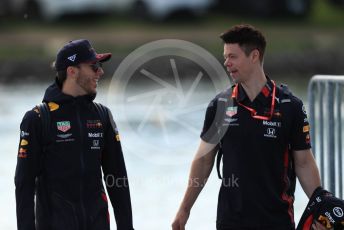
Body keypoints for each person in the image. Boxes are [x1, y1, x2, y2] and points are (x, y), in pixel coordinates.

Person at [172, 24, 326, 230]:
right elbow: (203, 160)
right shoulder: (220, 105)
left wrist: (321, 211)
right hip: (231, 222)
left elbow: (304, 164)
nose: (226, 63)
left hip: (277, 221)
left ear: (254, 56)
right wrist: (184, 209)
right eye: (225, 57)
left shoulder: (291, 106)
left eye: (232, 57)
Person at [15, 39, 134, 230]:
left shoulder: (102, 116)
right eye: (94, 67)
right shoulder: (37, 119)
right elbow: (24, 185)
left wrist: (126, 227)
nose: (100, 72)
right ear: (72, 71)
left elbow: (117, 178)